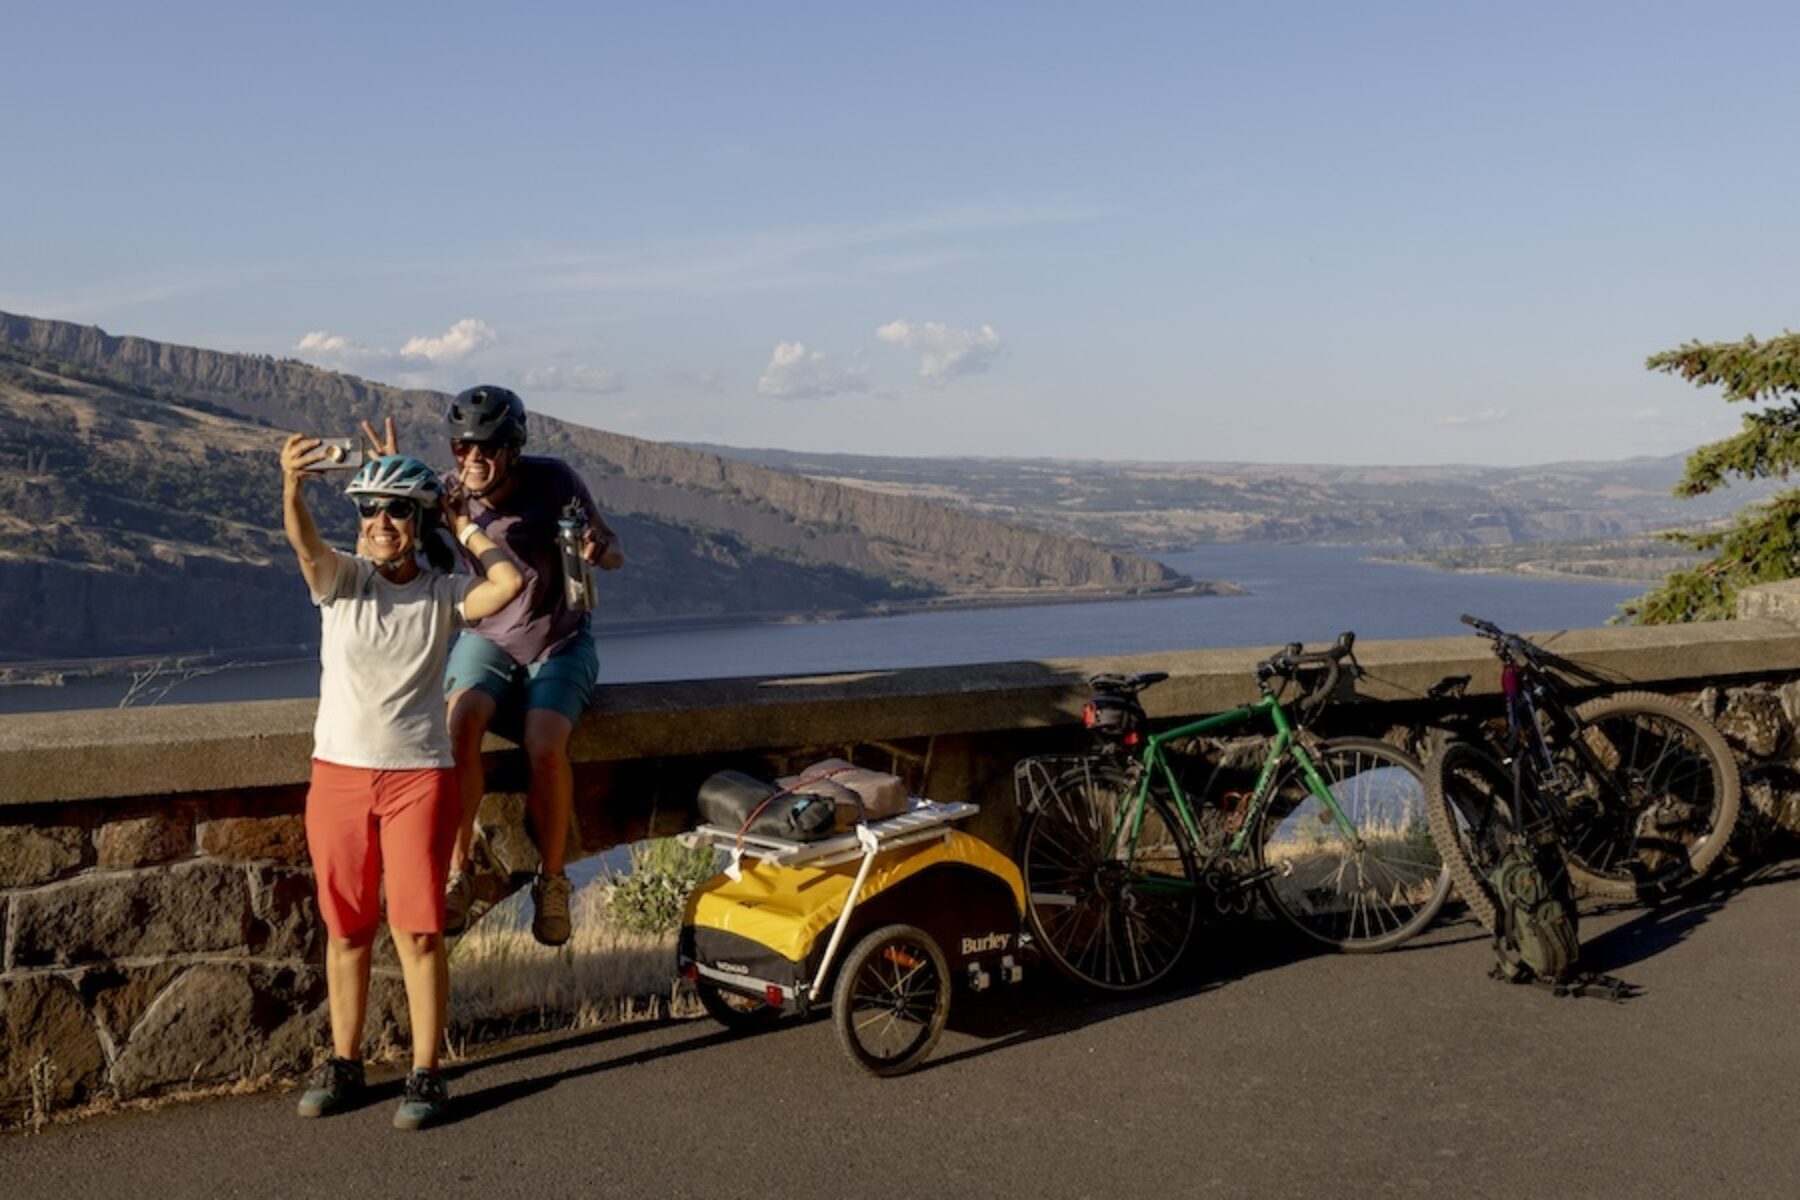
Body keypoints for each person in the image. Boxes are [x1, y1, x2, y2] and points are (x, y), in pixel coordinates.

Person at [281, 440, 522, 1131]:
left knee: (418, 933)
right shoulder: (342, 581)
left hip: (419, 778)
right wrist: (292, 489)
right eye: (369, 511)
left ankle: (426, 1072)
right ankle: (345, 1062)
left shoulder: (442, 594)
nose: (379, 523)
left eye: (395, 511)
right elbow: (304, 546)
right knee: (347, 929)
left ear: (417, 521)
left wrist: (461, 522)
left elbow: (508, 583)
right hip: (339, 776)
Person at [428, 386, 624, 944]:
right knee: (460, 727)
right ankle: (458, 873)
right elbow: (388, 546)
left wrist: (596, 549)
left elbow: (615, 551)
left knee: (544, 745)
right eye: (461, 447)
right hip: (487, 636)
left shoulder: (555, 480)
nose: (472, 460)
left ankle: (553, 880)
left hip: (559, 638)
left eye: (486, 448)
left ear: (513, 449)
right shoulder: (448, 495)